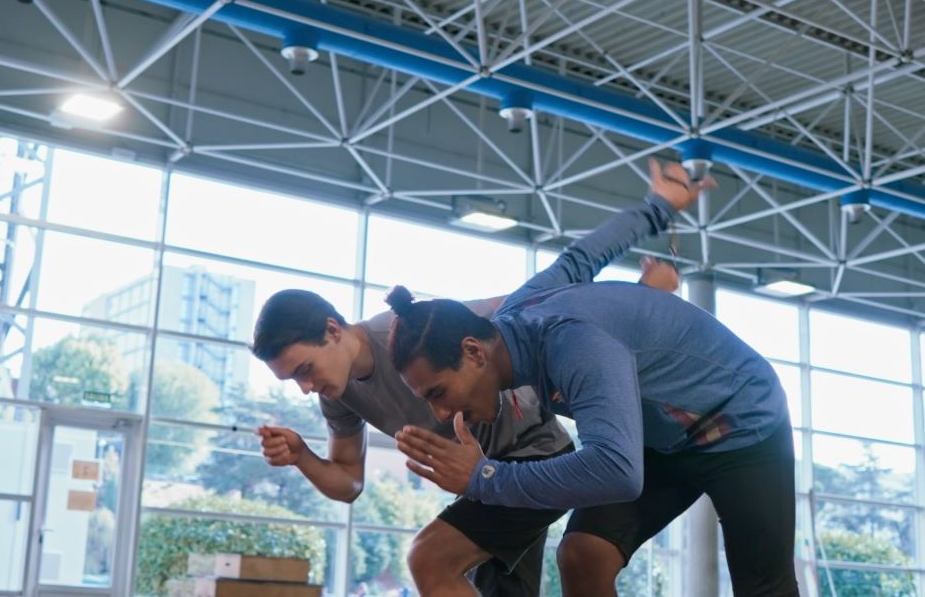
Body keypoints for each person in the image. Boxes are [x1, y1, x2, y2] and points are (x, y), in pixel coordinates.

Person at [250, 159, 698, 596]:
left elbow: (547, 299)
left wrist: (642, 296)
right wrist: (303, 456)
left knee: (430, 558)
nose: (306, 388)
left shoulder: (415, 334)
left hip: (531, 458)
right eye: (293, 382)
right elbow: (348, 484)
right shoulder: (338, 395)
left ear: (332, 330)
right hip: (483, 482)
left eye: (305, 370)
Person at [389, 164, 797, 597]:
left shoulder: (576, 345)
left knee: (763, 590)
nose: (440, 412)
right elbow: (582, 258)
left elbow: (617, 472)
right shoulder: (522, 311)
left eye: (438, 393)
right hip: (661, 440)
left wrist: (485, 479)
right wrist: (657, 208)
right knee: (584, 555)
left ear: (473, 351)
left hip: (742, 427)